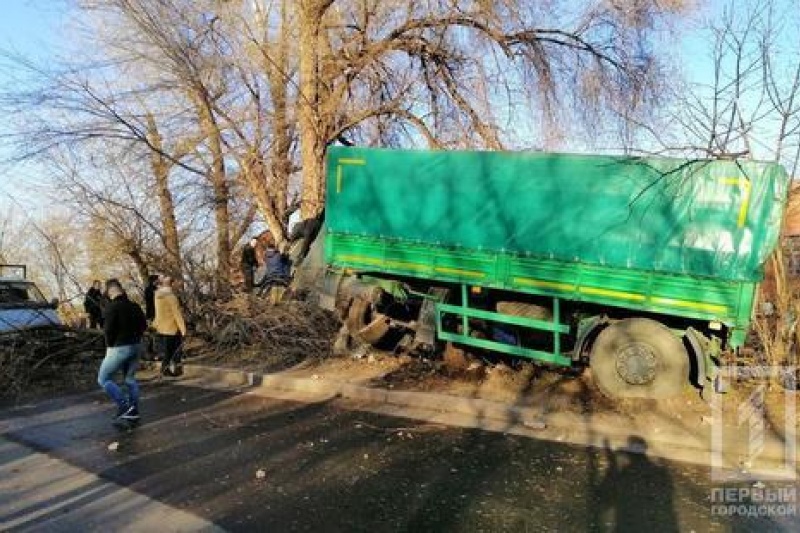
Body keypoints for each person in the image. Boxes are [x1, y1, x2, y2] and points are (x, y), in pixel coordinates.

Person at [97, 278, 146, 425]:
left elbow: (108, 330)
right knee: (130, 379)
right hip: (136, 345)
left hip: (119, 347)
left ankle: (124, 406)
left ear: (110, 291)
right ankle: (134, 411)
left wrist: (110, 346)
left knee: (103, 379)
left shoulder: (112, 308)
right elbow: (143, 326)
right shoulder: (135, 306)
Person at [153, 275, 187, 377]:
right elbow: (177, 313)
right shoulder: (171, 297)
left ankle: (169, 369)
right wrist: (183, 329)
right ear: (172, 284)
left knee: (168, 349)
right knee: (173, 349)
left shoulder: (158, 295)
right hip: (171, 326)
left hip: (161, 326)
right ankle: (168, 369)